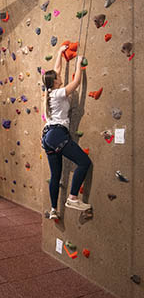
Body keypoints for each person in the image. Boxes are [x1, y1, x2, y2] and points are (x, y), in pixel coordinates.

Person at [41, 47, 92, 220]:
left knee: (55, 175)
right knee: (84, 162)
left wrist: (59, 53)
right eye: (58, 78)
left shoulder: (48, 92)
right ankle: (72, 198)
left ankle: (54, 209)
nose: (59, 76)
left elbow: (57, 70)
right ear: (55, 82)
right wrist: (78, 64)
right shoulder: (58, 93)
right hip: (57, 134)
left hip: (48, 137)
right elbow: (76, 83)